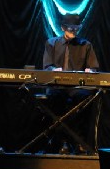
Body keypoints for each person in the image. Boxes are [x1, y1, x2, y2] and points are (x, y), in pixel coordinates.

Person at [42, 13, 100, 154]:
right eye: (70, 28)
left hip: (76, 87)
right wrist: (53, 70)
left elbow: (93, 67)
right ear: (63, 28)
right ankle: (61, 141)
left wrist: (90, 70)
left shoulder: (86, 45)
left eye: (76, 28)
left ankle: (77, 141)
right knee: (56, 98)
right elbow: (46, 67)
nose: (73, 31)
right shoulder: (51, 43)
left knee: (82, 99)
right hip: (57, 86)